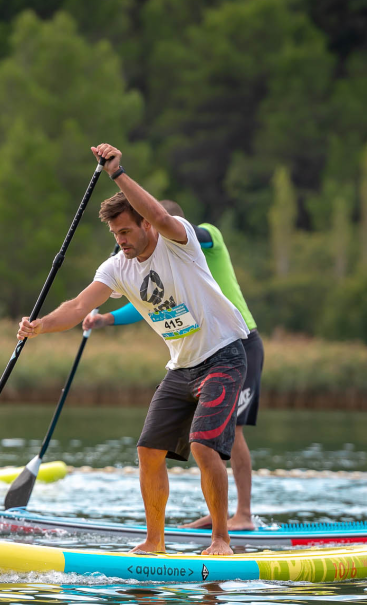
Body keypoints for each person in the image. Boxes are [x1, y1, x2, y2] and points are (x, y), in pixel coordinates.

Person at [18, 143, 249, 556]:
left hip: (224, 354)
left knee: (202, 444)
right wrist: (39, 327)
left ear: (145, 226)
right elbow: (77, 306)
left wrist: (117, 172)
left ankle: (221, 540)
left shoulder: (177, 239)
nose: (120, 240)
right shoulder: (116, 268)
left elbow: (161, 214)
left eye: (125, 231)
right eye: (114, 234)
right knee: (147, 450)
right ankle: (154, 542)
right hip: (182, 367)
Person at [84, 200, 263, 532]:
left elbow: (173, 225)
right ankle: (219, 511)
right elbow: (149, 303)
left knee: (230, 430)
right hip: (198, 353)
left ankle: (244, 515)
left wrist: (155, 223)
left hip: (239, 341)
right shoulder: (162, 264)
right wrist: (106, 317)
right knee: (203, 438)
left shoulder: (203, 235)